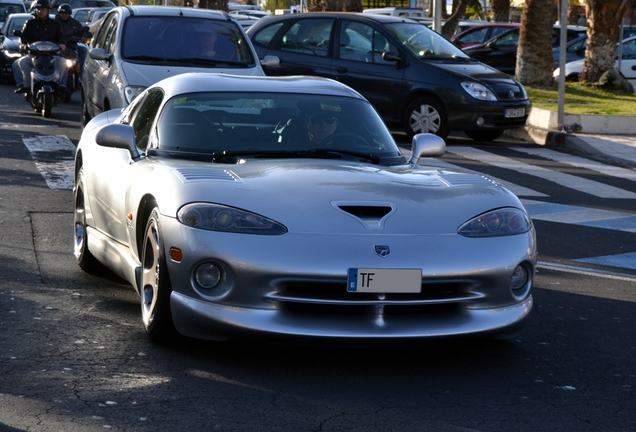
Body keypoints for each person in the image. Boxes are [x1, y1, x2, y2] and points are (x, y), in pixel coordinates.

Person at [14, 0, 67, 95]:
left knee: (63, 62)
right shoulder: (30, 23)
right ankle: (27, 87)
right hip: (34, 55)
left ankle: (61, 86)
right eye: (38, 9)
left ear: (48, 10)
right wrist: (23, 44)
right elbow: (23, 37)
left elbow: (61, 37)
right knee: (22, 62)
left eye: (42, 9)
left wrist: (62, 43)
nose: (40, 11)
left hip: (51, 56)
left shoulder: (55, 24)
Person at [55, 3, 89, 79]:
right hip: (58, 46)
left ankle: (81, 77)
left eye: (66, 13)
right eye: (62, 13)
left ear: (69, 14)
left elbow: (82, 32)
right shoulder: (54, 23)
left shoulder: (75, 23)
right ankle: (57, 76)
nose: (63, 15)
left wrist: (83, 37)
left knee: (84, 50)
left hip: (73, 45)